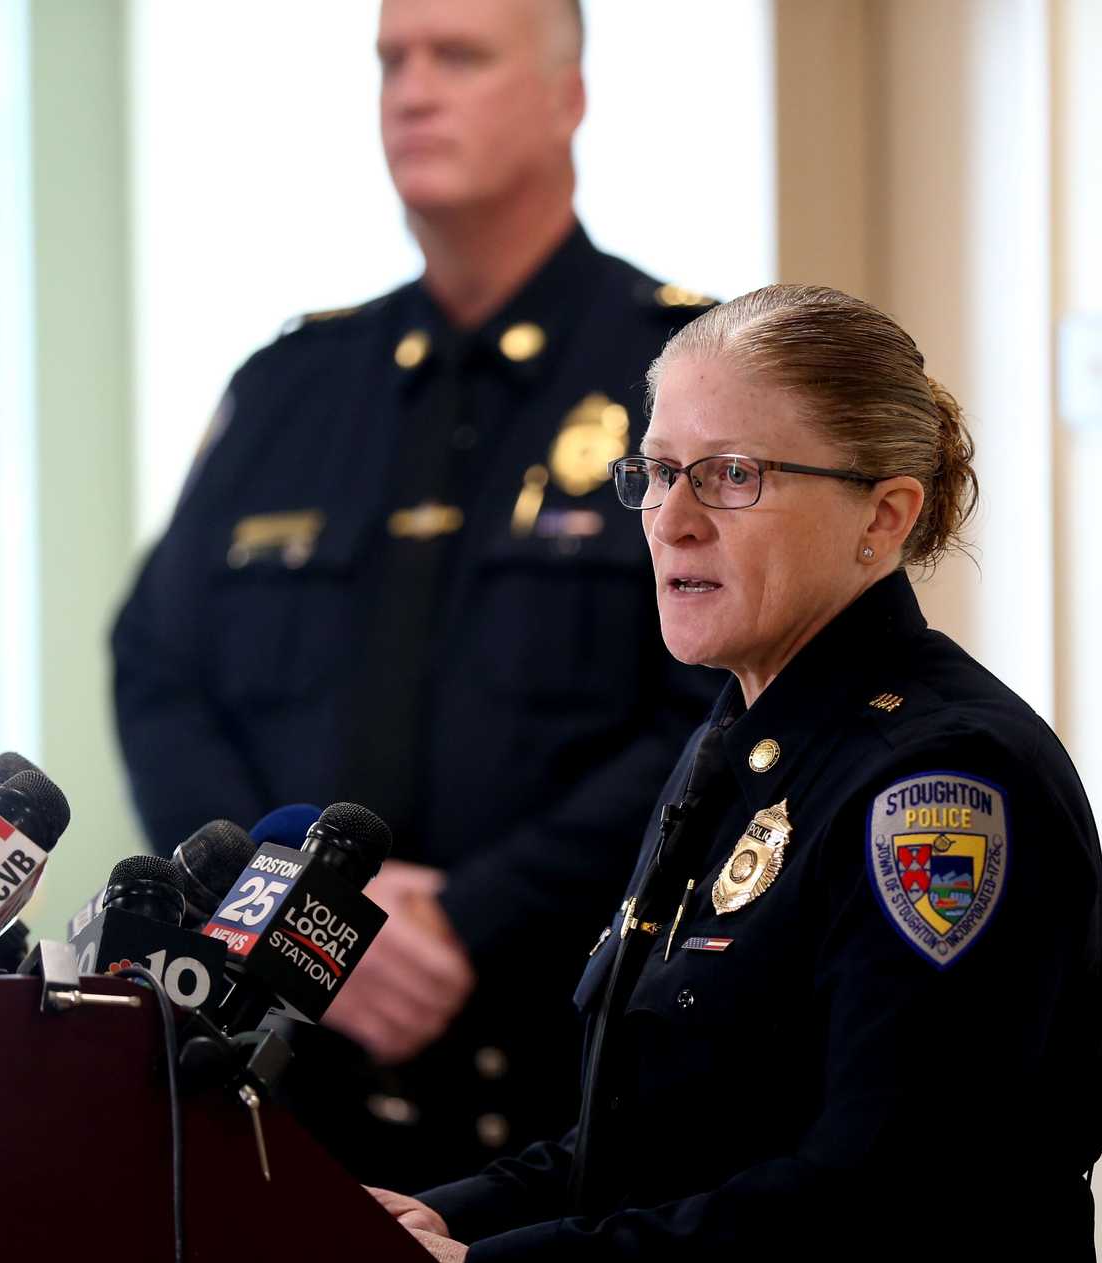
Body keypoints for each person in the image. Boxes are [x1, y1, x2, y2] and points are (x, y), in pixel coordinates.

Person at [367, 284, 1102, 1263]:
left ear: (882, 515)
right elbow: (641, 1145)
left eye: (730, 476)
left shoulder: (940, 789)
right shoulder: (736, 739)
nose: (670, 520)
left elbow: (872, 1204)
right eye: (657, 471)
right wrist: (420, 1225)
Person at [110, 0, 719, 1188]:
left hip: (569, 1087)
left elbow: (715, 711)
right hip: (286, 1089)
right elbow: (158, 673)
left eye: (460, 56)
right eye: (393, 59)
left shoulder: (683, 377)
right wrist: (288, 911)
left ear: (567, 97)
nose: (413, 89)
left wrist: (470, 915)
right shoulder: (292, 383)